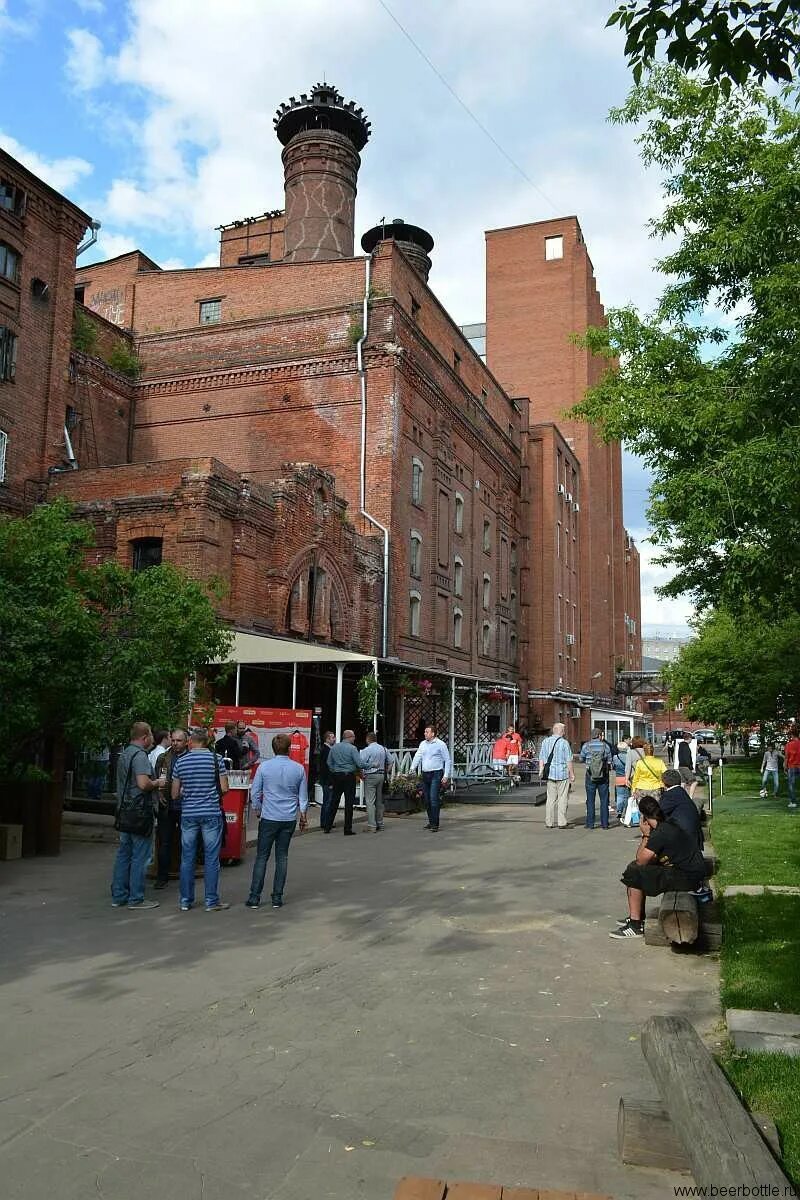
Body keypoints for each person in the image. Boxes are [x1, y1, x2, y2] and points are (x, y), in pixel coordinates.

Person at [609, 794, 707, 939]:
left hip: (688, 877)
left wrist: (645, 835)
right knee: (636, 869)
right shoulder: (668, 823)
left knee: (634, 872)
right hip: (693, 872)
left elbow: (641, 860)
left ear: (644, 817)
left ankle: (636, 925)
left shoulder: (659, 833)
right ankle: (636, 917)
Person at [246, 733, 308, 909]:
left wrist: (258, 809)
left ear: (273, 749)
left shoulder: (264, 768)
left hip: (269, 816)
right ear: (289, 748)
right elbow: (303, 796)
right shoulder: (298, 769)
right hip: (288, 818)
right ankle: (277, 897)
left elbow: (255, 792)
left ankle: (254, 897)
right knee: (282, 857)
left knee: (262, 857)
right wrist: (302, 815)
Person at [171, 729, 230, 911]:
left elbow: (174, 794)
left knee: (187, 858)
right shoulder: (216, 759)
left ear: (190, 742)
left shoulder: (180, 761)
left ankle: (185, 901)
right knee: (211, 858)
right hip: (211, 813)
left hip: (188, 814)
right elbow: (225, 788)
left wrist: (185, 792)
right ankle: (211, 901)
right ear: (206, 742)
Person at [111, 721, 161, 910]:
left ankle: (119, 896)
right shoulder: (140, 756)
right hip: (139, 813)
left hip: (124, 811)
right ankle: (136, 898)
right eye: (150, 736)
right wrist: (157, 783)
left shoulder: (124, 754)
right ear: (145, 737)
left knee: (124, 854)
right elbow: (143, 784)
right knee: (141, 856)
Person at [153, 727, 189, 890]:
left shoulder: (191, 758)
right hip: (167, 806)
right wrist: (159, 794)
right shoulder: (163, 757)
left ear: (186, 741)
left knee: (186, 841)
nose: (175, 743)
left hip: (186, 807)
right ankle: (162, 876)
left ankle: (185, 875)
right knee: (165, 842)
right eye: (173, 740)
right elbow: (159, 777)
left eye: (179, 740)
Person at [410, 725, 451, 832]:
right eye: (425, 732)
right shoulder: (423, 744)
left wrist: (446, 775)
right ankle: (431, 821)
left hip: (436, 773)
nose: (425, 733)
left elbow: (447, 760)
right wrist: (412, 768)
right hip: (425, 774)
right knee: (426, 799)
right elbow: (418, 756)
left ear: (433, 733)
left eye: (427, 732)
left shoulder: (440, 744)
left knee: (433, 798)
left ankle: (435, 824)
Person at [323, 729, 362, 835]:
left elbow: (329, 762)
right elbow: (359, 763)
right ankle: (347, 828)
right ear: (349, 737)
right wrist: (371, 765)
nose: (354, 738)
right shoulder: (353, 748)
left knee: (334, 801)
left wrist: (334, 770)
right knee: (349, 802)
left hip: (337, 776)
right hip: (349, 776)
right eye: (353, 736)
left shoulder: (334, 747)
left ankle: (327, 826)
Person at [538, 722, 575, 829]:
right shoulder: (564, 743)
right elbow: (568, 760)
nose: (564, 732)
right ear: (561, 731)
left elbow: (541, 757)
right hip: (562, 774)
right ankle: (561, 822)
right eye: (563, 730)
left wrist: (541, 770)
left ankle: (549, 822)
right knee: (562, 798)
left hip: (550, 774)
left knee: (550, 799)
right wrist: (572, 774)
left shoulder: (545, 741)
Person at [579, 728, 613, 829]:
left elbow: (581, 759)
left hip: (590, 775)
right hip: (603, 776)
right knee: (604, 800)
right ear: (599, 735)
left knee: (590, 800)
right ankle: (605, 824)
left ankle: (590, 824)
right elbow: (610, 761)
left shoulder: (586, 746)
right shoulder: (605, 746)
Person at [360, 731, 393, 831]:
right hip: (381, 775)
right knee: (379, 801)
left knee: (370, 801)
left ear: (367, 739)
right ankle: (380, 823)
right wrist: (386, 772)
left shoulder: (367, 750)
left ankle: (372, 825)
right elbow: (391, 761)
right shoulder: (383, 749)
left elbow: (360, 763)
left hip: (370, 775)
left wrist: (362, 774)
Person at [318, 730, 336, 827]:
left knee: (327, 801)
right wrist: (330, 782)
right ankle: (325, 822)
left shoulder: (326, 749)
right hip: (327, 781)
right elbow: (326, 768)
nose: (334, 739)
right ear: (327, 739)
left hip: (326, 780)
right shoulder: (326, 750)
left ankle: (325, 821)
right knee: (327, 802)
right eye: (333, 737)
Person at [674, 732, 697, 798]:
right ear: (689, 738)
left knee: (683, 783)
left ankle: (681, 797)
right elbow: (687, 759)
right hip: (685, 767)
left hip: (680, 766)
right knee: (694, 782)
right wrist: (691, 768)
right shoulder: (686, 747)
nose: (692, 740)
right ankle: (690, 797)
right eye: (691, 738)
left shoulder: (680, 745)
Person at [612, 738, 630, 822]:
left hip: (618, 777)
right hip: (627, 777)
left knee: (619, 795)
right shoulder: (628, 756)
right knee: (627, 796)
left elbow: (613, 767)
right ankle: (626, 811)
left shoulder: (615, 757)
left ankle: (619, 811)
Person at [784, 727, 800, 809]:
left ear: (792, 735)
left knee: (791, 784)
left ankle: (793, 802)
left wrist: (784, 766)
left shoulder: (789, 745)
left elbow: (786, 757)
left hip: (792, 766)